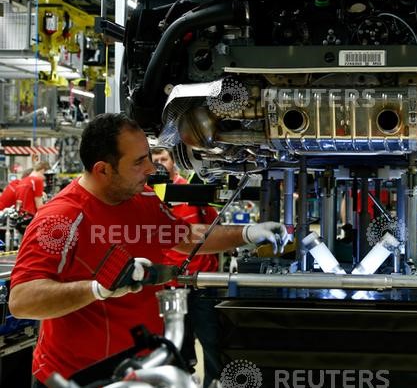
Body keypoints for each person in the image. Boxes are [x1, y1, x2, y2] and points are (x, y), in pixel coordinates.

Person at [9, 113, 288, 387]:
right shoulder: (61, 219)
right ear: (103, 169)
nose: (152, 169)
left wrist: (247, 233)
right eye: (139, 161)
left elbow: (185, 235)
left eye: (150, 157)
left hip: (143, 370)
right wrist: (97, 289)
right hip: (79, 377)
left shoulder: (142, 198)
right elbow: (21, 300)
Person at [151, 145, 222, 386]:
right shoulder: (149, 197)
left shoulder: (192, 193)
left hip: (202, 283)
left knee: (213, 342)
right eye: (155, 159)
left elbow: (215, 231)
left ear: (174, 162)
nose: (160, 162)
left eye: (164, 158)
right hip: (168, 287)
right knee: (176, 346)